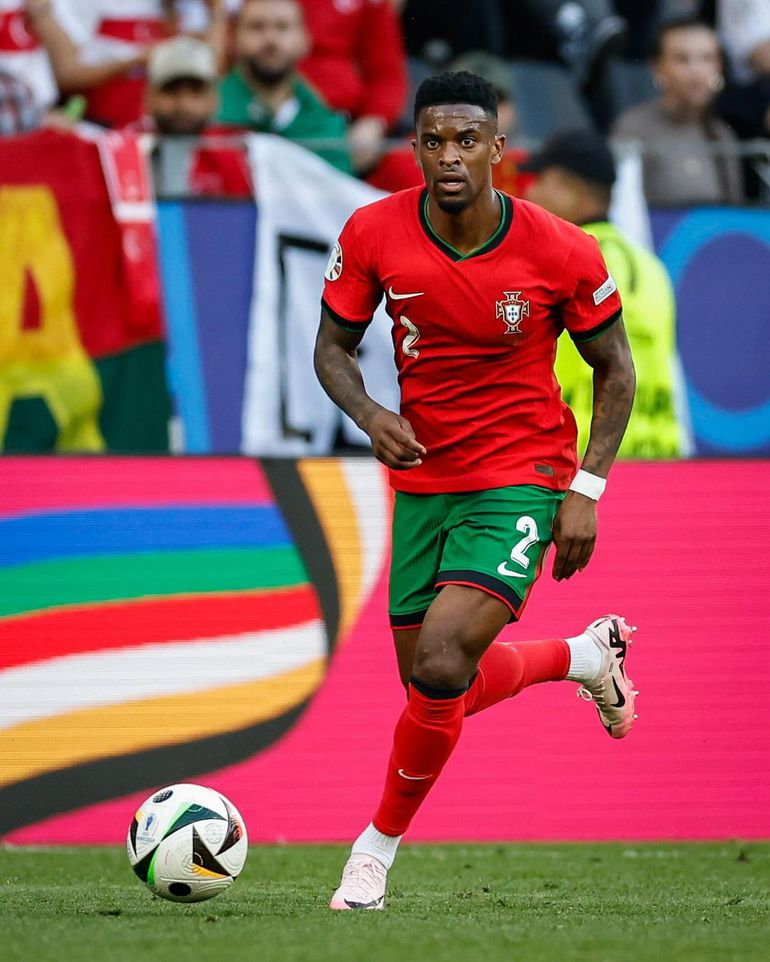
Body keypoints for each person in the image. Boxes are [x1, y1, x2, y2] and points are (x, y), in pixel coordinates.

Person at [314, 70, 637, 911]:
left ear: (499, 149)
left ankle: (372, 855)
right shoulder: (374, 231)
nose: (449, 156)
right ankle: (583, 658)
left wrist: (586, 489)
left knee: (442, 661)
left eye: (465, 140)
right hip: (424, 478)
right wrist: (370, 413)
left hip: (521, 476)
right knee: (434, 684)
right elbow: (331, 350)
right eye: (433, 141)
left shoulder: (561, 248)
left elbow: (616, 369)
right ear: (415, 149)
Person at [525, 128, 685, 459]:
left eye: (540, 180)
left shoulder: (555, 262)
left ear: (571, 190)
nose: (530, 192)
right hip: (658, 458)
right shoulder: (653, 268)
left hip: (581, 459)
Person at [28, 0, 228, 129]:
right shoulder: (87, 4)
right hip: (99, 128)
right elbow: (67, 74)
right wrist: (136, 60)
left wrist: (217, 11)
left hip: (161, 130)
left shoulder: (180, 7)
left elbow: (207, 69)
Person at [611, 17, 743, 205]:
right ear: (657, 67)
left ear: (719, 67)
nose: (696, 71)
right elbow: (622, 206)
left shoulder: (722, 134)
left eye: (707, 58)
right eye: (682, 59)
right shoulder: (633, 128)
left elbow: (734, 214)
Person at [217, 0, 351, 173]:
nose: (270, 39)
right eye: (257, 27)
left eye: (282, 27)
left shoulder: (324, 123)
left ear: (305, 39)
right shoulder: (211, 113)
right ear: (235, 38)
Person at [297, 0, 408, 174]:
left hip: (347, 126)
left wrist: (373, 122)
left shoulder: (372, 5)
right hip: (275, 119)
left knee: (411, 169)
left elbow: (386, 72)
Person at [140, 35, 251, 197]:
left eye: (195, 92)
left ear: (213, 99)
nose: (183, 104)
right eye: (171, 90)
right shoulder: (124, 150)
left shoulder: (235, 153)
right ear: (149, 97)